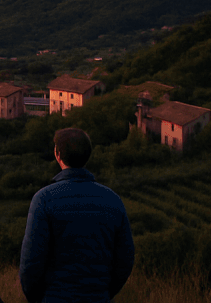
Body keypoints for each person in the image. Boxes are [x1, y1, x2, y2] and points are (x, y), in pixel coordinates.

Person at [19, 127, 135, 303]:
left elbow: (30, 263)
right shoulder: (113, 200)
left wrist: (38, 299)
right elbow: (125, 260)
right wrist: (104, 293)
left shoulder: (43, 199)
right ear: (88, 155)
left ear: (57, 155)